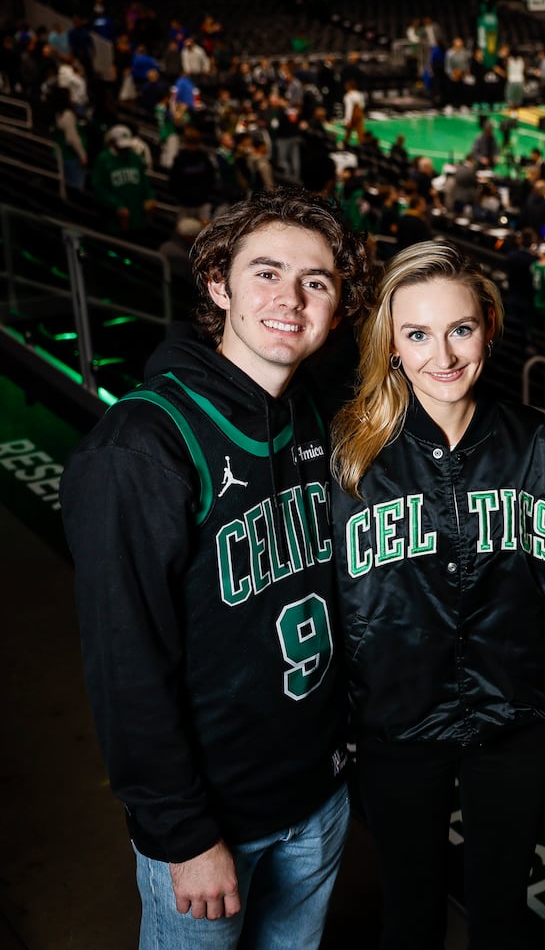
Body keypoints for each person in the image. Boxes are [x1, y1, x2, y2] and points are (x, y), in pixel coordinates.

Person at [61, 188, 369, 948]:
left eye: (317, 282)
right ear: (216, 284)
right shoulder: (140, 448)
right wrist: (182, 836)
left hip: (319, 795)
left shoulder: (307, 410)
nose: (290, 300)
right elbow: (125, 668)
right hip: (213, 828)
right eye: (265, 273)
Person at [329, 242, 545, 949]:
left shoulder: (534, 444)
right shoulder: (351, 453)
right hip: (396, 724)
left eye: (460, 329)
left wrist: (540, 683)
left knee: (501, 911)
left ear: (489, 327)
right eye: (417, 333)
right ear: (391, 344)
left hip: (513, 719)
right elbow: (339, 594)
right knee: (410, 913)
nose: (442, 353)